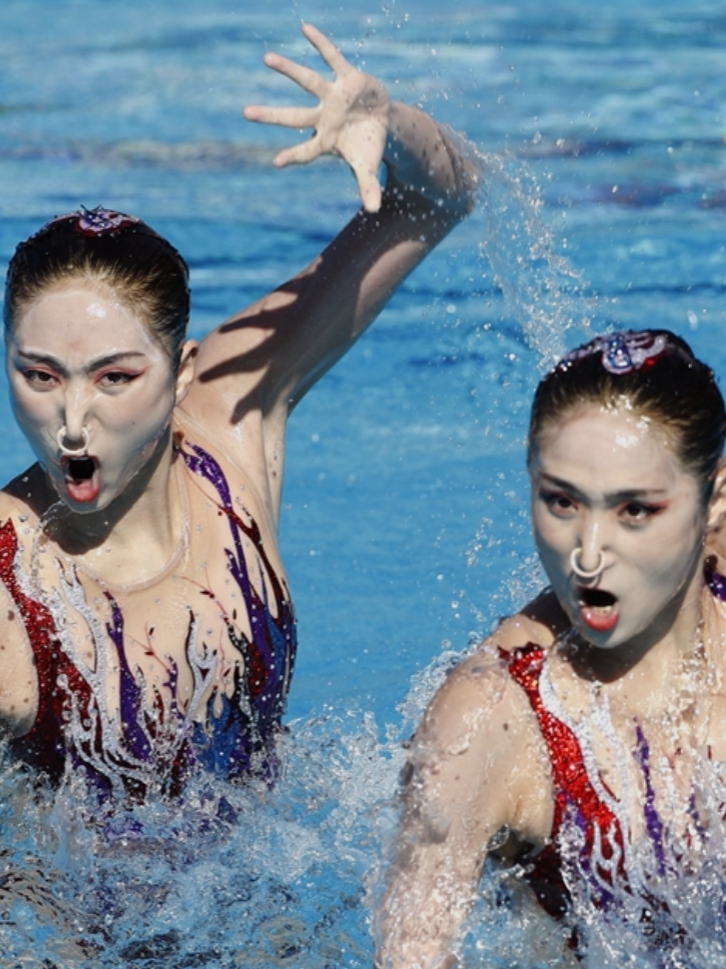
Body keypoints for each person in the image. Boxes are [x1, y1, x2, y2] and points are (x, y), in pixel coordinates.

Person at [0, 24, 474, 801]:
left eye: (115, 377)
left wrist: (392, 122)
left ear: (183, 373)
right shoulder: (16, 584)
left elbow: (443, 196)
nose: (73, 421)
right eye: (40, 375)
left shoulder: (234, 419)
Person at [375, 329, 726, 968]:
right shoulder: (490, 720)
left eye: (636, 511)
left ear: (715, 501)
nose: (588, 554)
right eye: (561, 501)